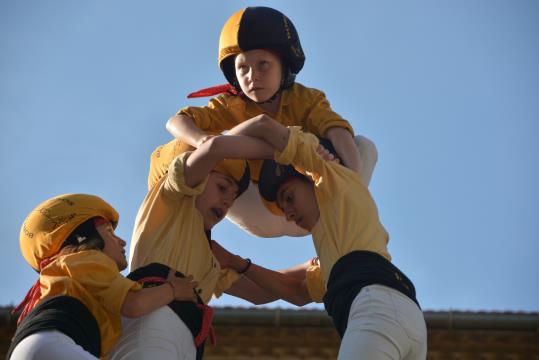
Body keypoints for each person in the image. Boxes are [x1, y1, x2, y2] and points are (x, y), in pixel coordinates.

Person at [209, 115, 428, 359]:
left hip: (376, 307)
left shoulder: (333, 177)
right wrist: (233, 264)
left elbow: (263, 124)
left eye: (290, 197)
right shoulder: (337, 249)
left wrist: (209, 150)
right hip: (409, 319)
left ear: (311, 179)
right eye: (284, 208)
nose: (289, 214)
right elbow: (292, 292)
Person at [165, 6, 363, 238]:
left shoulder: (305, 99)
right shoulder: (230, 104)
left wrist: (354, 181)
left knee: (363, 147)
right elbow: (175, 121)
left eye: (263, 65)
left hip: (307, 197)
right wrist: (204, 141)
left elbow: (335, 129)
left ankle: (342, 218)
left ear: (284, 66)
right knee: (194, 149)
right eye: (243, 68)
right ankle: (193, 235)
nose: (252, 76)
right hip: (258, 204)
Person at [109, 133, 287, 360]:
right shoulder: (172, 198)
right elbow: (213, 148)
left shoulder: (210, 257)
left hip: (187, 341)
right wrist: (284, 147)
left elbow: (260, 293)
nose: (226, 202)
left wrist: (319, 269)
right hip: (154, 321)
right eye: (222, 187)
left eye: (232, 199)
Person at [8, 194, 198, 360]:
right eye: (109, 232)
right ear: (84, 238)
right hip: (53, 343)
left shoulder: (61, 275)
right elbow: (134, 304)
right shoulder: (85, 258)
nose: (122, 242)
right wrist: (175, 289)